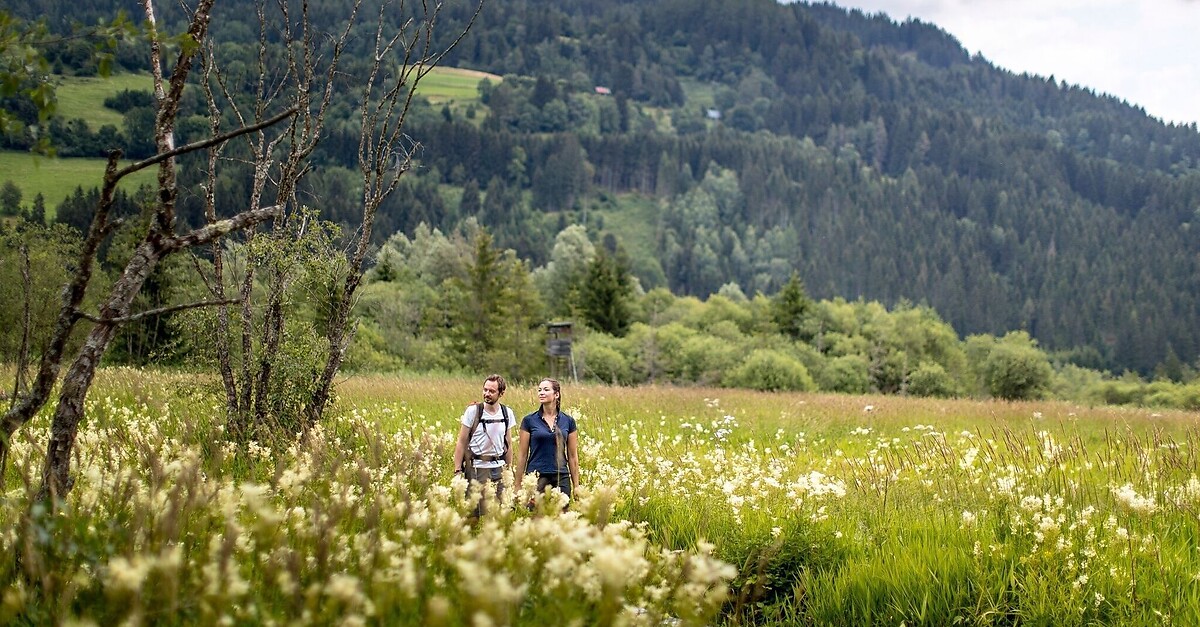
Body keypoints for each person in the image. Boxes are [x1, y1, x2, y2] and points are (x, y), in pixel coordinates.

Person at [451, 374, 517, 513]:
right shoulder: (473, 411)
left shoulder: (507, 413)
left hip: (498, 468)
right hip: (476, 468)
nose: (487, 394)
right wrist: (457, 470)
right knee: (474, 514)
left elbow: (509, 444)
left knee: (501, 512)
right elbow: (461, 442)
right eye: (485, 389)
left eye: (492, 391)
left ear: (501, 393)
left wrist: (508, 470)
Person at [517, 377, 579, 505]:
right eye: (539, 390)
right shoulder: (529, 420)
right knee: (537, 519)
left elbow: (572, 456)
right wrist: (517, 484)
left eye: (546, 390)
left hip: (561, 477)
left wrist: (576, 486)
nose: (541, 393)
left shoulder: (568, 421)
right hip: (536, 477)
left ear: (556, 394)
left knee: (562, 519)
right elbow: (522, 455)